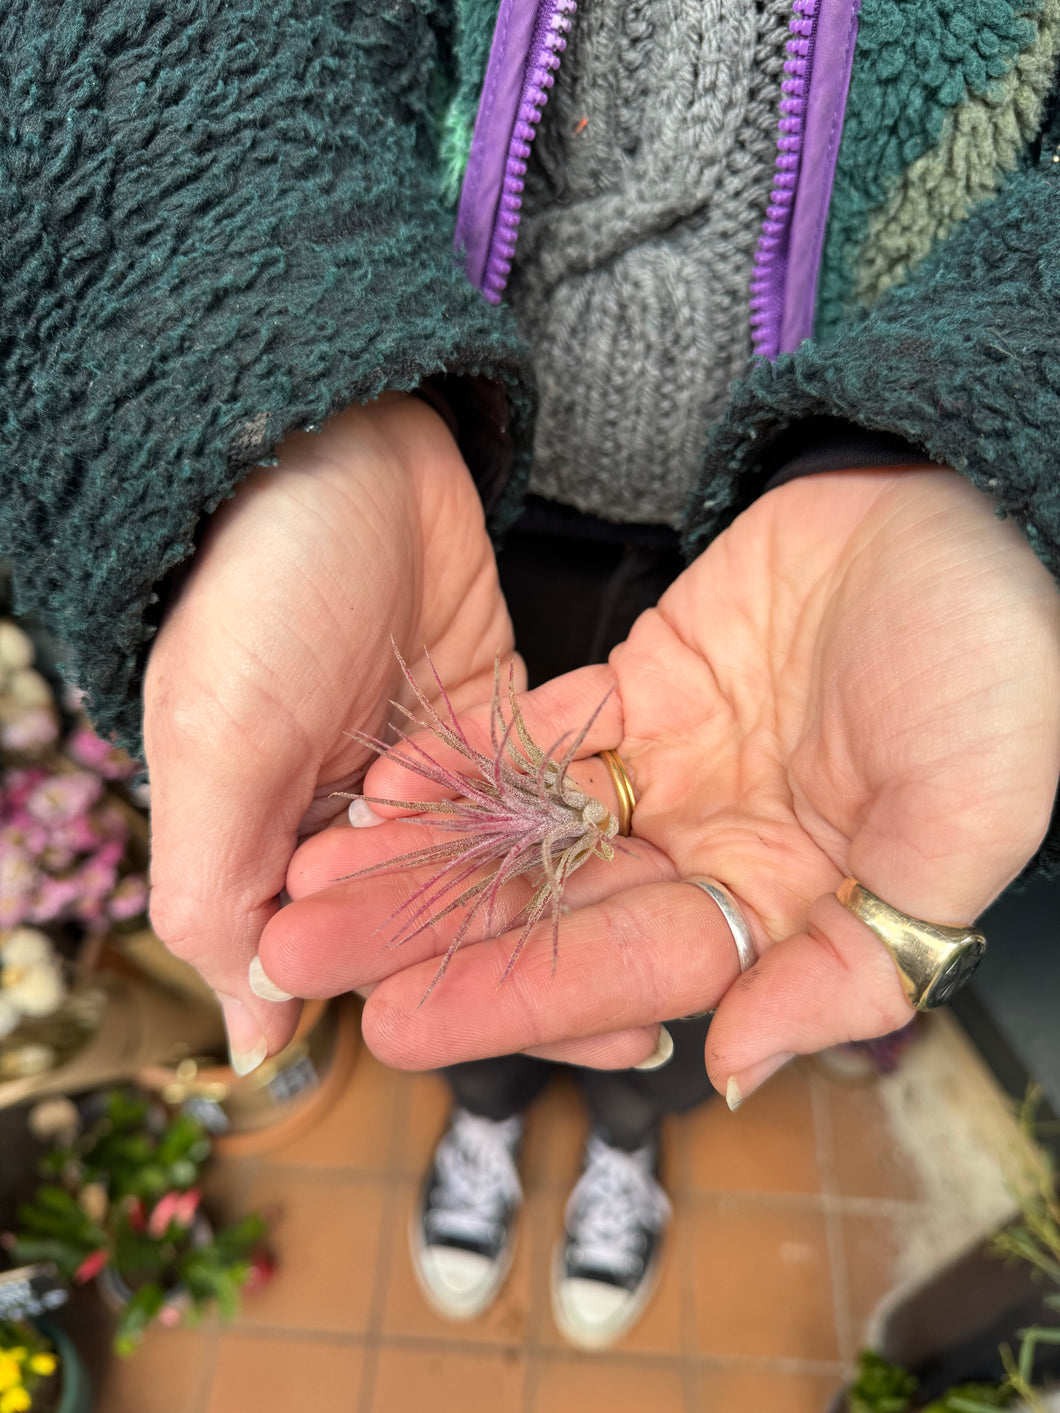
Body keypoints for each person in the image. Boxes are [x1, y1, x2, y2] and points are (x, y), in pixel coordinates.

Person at [3, 0, 1059, 1348]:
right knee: (453, 930)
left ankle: (633, 1135)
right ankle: (482, 1103)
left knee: (681, 974)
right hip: (444, 467)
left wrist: (1002, 447)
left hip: (817, 530)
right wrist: (263, 377)